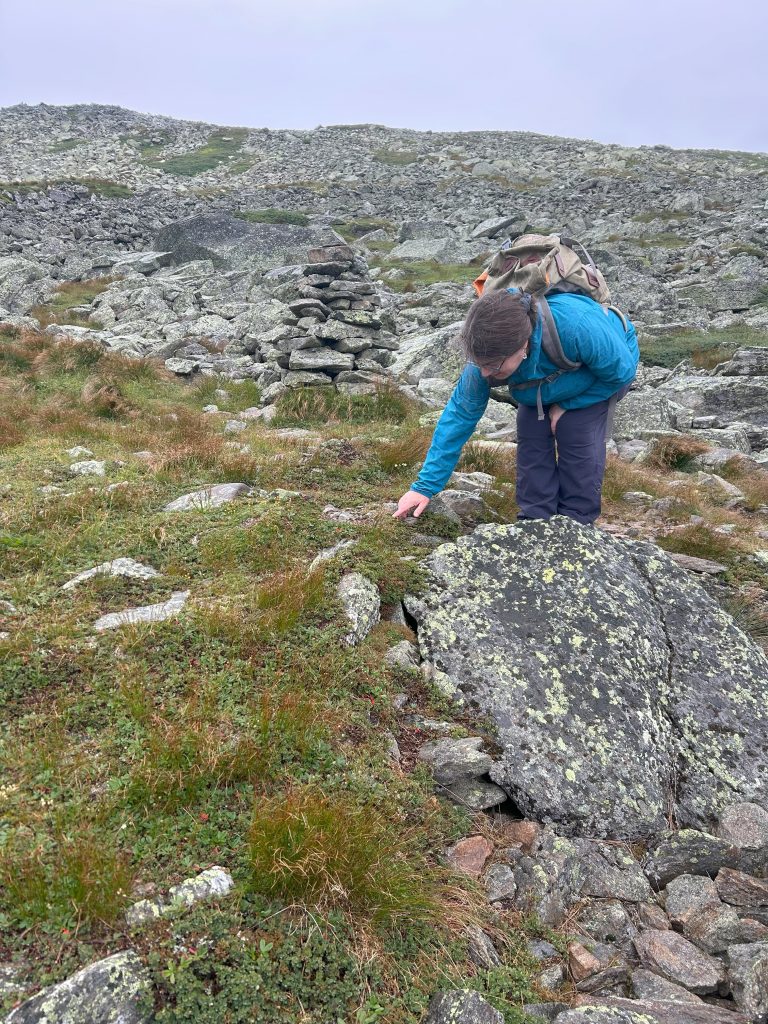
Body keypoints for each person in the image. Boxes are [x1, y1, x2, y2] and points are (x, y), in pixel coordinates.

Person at [393, 287, 639, 526]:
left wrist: (568, 405)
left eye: (494, 366)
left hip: (604, 371)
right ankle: (534, 521)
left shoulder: (576, 326)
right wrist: (424, 487)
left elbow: (622, 373)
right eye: (480, 364)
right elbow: (460, 415)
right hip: (540, 383)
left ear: (523, 346)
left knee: (574, 428)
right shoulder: (486, 356)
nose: (485, 373)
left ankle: (576, 523)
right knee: (531, 430)